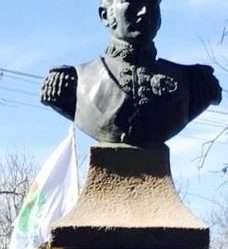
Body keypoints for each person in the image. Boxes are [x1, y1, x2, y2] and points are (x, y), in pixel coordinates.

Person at [41, 0, 221, 146]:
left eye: (152, 3)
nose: (144, 11)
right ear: (105, 15)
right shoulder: (73, 83)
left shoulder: (194, 83)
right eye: (133, 3)